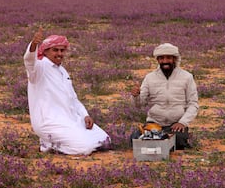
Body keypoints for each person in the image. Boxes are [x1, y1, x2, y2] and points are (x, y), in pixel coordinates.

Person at [24, 27, 110, 155]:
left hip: (70, 119)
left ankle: (60, 141)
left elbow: (73, 98)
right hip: (49, 122)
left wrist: (85, 114)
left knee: (105, 140)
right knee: (84, 148)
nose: (59, 54)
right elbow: (29, 61)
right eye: (55, 50)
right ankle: (49, 144)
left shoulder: (62, 71)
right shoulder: (39, 68)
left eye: (62, 50)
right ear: (45, 51)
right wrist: (33, 45)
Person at [131, 43, 199, 149]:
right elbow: (140, 104)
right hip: (154, 124)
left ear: (174, 59)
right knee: (134, 139)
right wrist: (136, 96)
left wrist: (182, 122)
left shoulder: (187, 77)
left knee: (178, 142)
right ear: (157, 60)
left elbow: (193, 104)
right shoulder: (150, 78)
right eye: (161, 58)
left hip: (176, 125)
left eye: (168, 58)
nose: (165, 61)